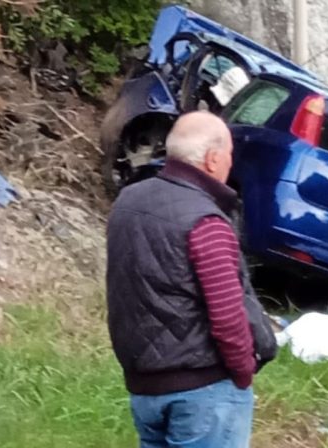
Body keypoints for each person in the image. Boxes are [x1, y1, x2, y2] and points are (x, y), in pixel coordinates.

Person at [106, 111, 276, 448]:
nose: (231, 163)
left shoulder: (128, 201)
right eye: (229, 154)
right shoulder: (206, 222)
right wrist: (242, 375)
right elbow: (228, 317)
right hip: (204, 391)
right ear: (213, 159)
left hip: (145, 388)